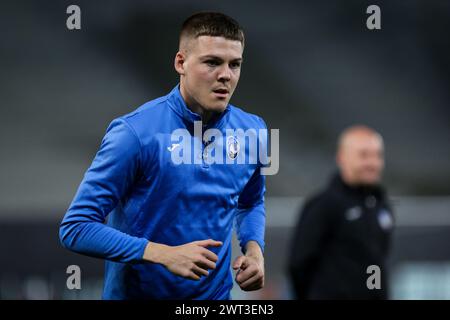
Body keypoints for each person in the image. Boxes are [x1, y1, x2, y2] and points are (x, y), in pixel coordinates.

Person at [59, 12, 267, 300]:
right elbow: (76, 227)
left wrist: (254, 250)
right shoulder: (134, 133)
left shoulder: (254, 131)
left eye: (235, 64)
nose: (226, 75)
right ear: (180, 62)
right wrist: (160, 254)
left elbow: (251, 201)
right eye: (212, 62)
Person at [288, 125, 394, 299]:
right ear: (341, 158)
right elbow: (298, 264)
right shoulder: (323, 205)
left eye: (377, 155)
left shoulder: (382, 206)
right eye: (364, 155)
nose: (372, 163)